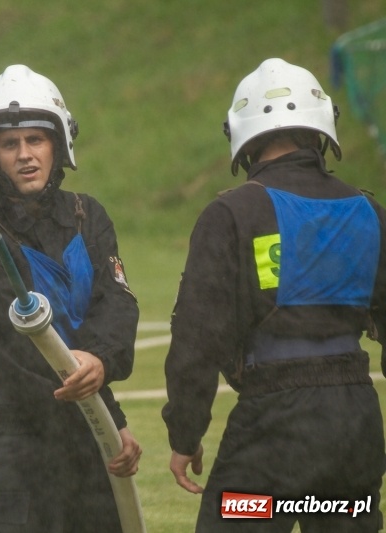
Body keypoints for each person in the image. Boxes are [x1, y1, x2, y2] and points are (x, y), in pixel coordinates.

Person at [162, 57, 386, 532]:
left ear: (242, 138)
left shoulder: (232, 214)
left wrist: (186, 432)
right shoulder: (369, 212)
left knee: (240, 515)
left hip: (273, 427)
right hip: (355, 422)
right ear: (322, 129)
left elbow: (198, 337)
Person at [0, 64, 142, 532]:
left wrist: (106, 392)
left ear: (59, 143)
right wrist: (94, 397)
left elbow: (115, 305)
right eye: (11, 144)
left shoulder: (87, 216)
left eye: (37, 140)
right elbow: (14, 348)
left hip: (88, 435)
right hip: (14, 442)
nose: (25, 155)